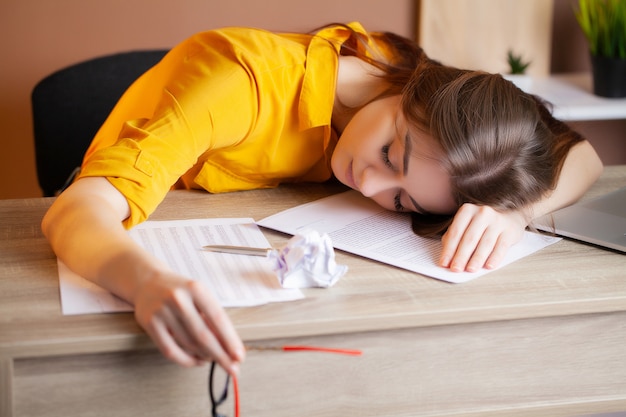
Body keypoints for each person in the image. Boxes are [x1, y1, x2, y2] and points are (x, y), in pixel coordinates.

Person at [41, 22, 603, 376]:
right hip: (125, 214)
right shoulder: (236, 86)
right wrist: (145, 283)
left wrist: (516, 209)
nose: (371, 188)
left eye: (403, 202)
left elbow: (582, 154)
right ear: (413, 89)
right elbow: (72, 212)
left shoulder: (410, 84)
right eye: (390, 155)